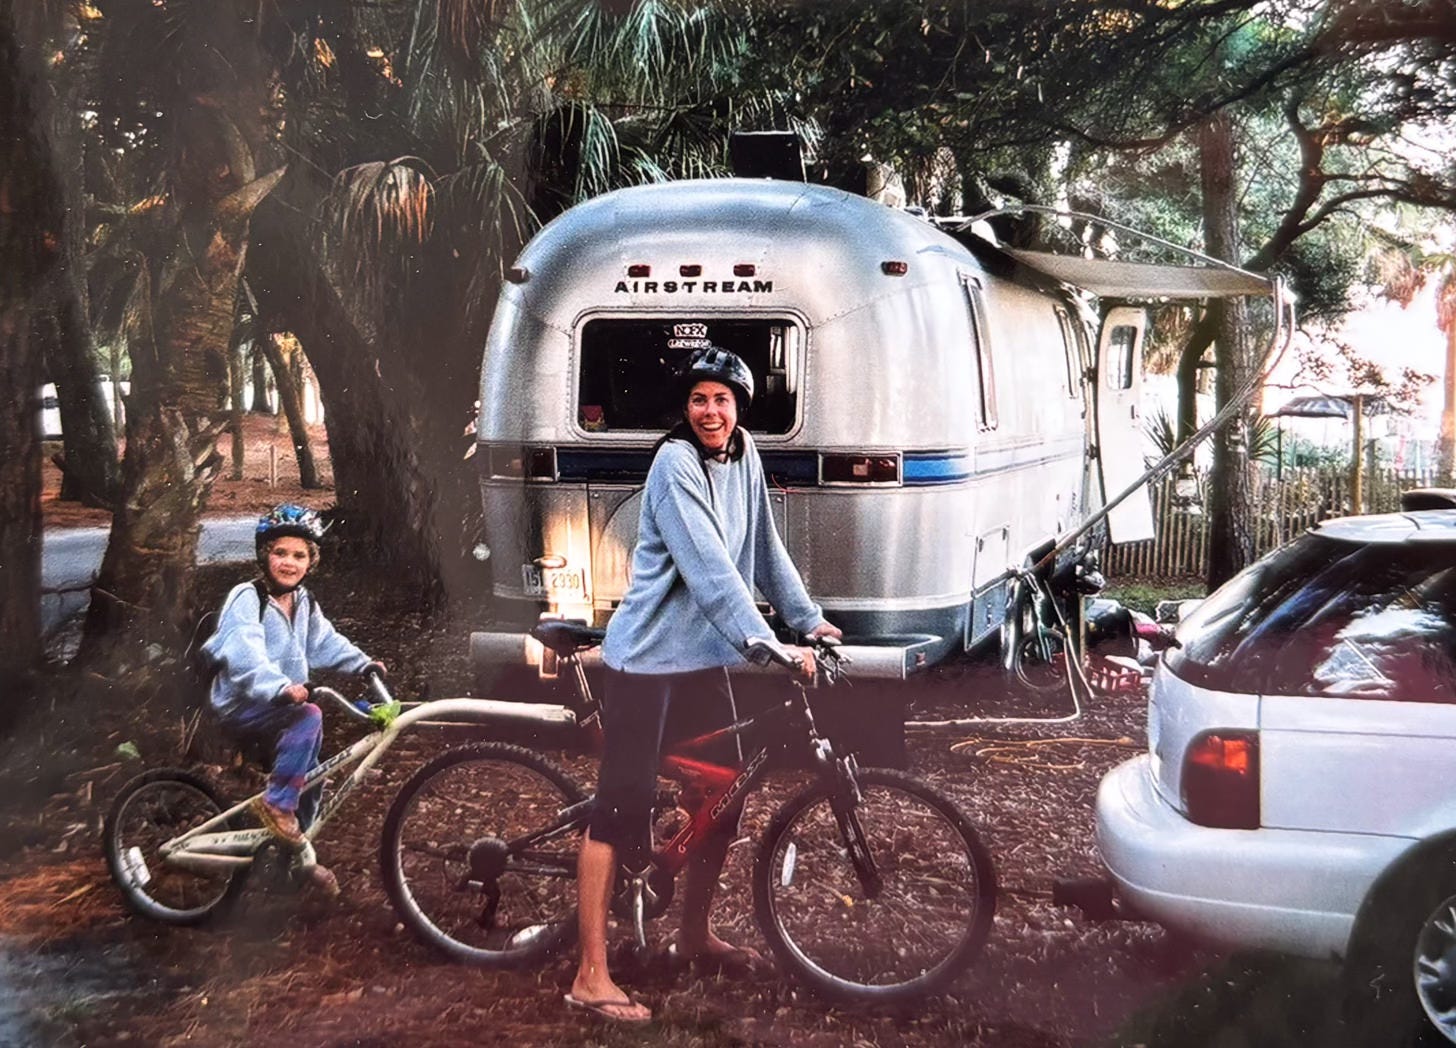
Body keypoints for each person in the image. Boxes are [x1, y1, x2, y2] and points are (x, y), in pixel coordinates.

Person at [566, 346, 842, 1023]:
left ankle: (693, 933)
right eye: (698, 401)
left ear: (739, 406)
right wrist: (769, 645)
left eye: (721, 399)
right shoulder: (674, 463)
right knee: (622, 804)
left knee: (723, 790)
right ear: (685, 409)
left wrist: (810, 620)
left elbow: (762, 551)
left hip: (701, 657)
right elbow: (711, 569)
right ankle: (590, 973)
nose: (710, 412)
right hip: (646, 660)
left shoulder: (743, 453)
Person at [201, 503, 384, 895]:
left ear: (310, 561)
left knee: (313, 778)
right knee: (309, 716)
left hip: (279, 706)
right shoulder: (246, 597)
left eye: (299, 555)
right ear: (264, 556)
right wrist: (279, 688)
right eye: (279, 553)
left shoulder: (303, 602)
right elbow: (244, 653)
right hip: (243, 704)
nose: (288, 563)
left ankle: (295, 860)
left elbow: (326, 642)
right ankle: (277, 806)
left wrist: (363, 664)